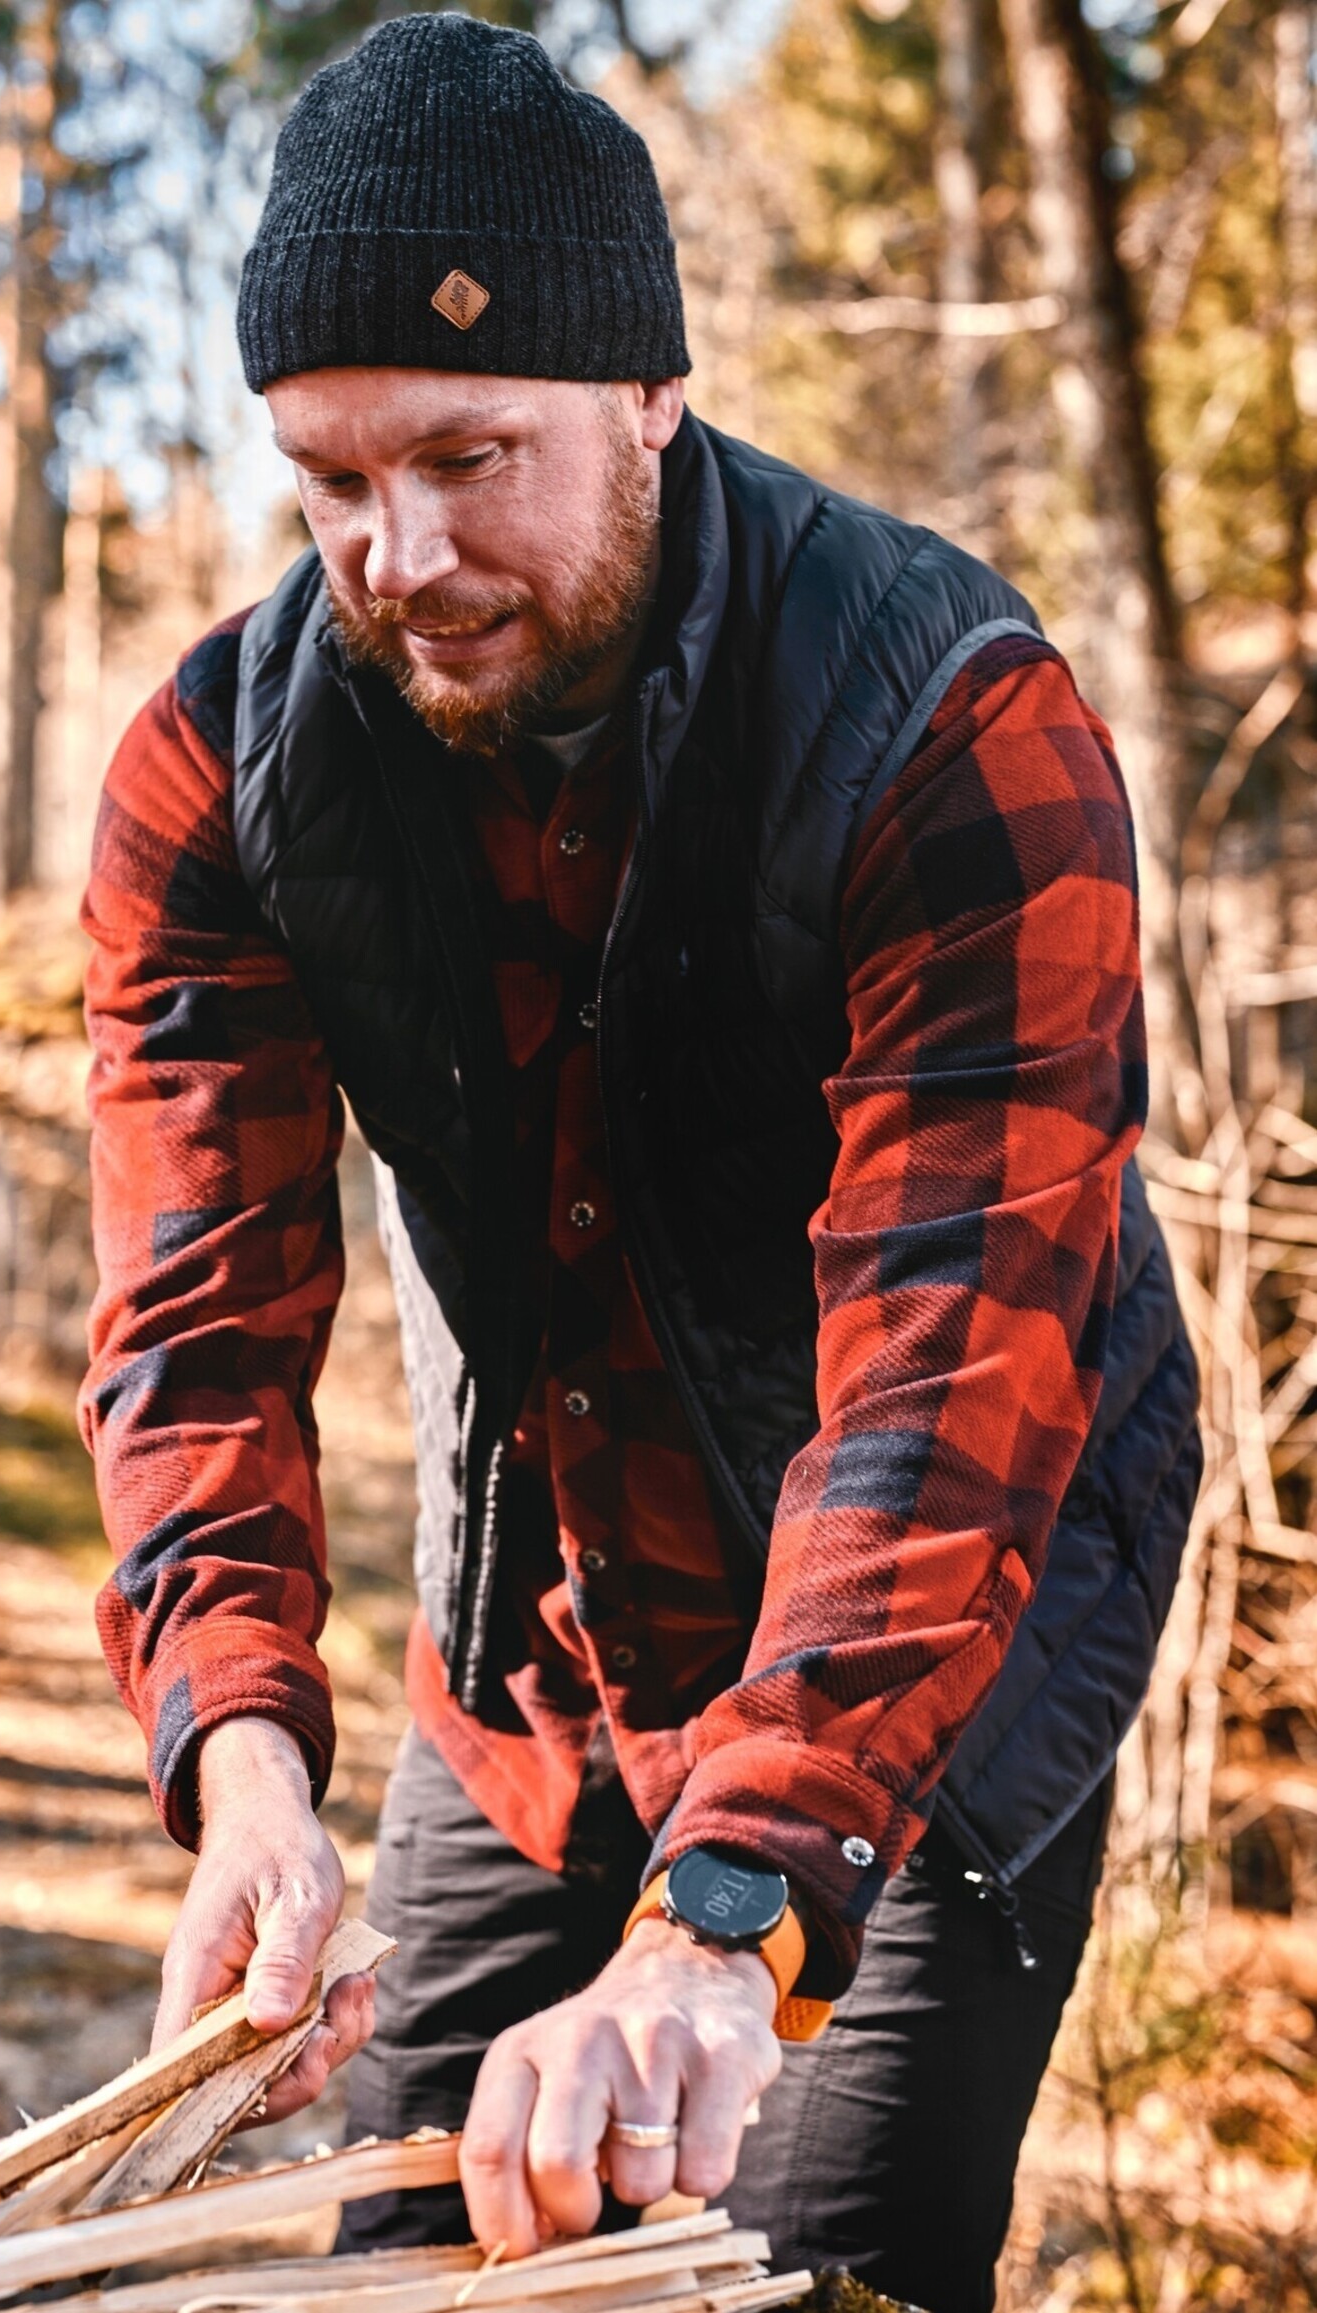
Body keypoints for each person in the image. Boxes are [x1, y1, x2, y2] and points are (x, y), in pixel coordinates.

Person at [79, 19, 1202, 2311]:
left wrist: (724, 1915)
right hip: (537, 1669)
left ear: (651, 390)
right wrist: (245, 1756)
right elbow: (196, 1314)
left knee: (783, 2276)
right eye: (330, 477)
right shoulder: (215, 774)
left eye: (468, 456)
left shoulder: (948, 723)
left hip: (927, 1658)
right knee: (405, 2271)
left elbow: (949, 1370)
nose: (401, 556)